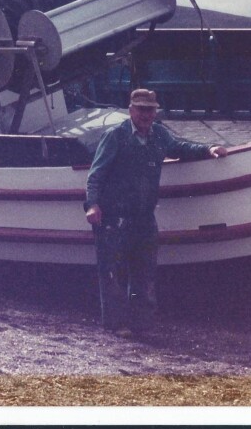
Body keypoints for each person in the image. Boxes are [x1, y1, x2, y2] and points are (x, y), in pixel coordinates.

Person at [84, 88, 228, 336]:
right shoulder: (115, 136)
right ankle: (116, 324)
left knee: (145, 273)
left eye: (150, 110)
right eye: (141, 109)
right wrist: (92, 205)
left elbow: (180, 147)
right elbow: (95, 175)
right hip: (114, 217)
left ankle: (142, 325)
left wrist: (208, 149)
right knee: (113, 273)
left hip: (144, 216)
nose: (146, 115)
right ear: (131, 111)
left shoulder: (160, 135)